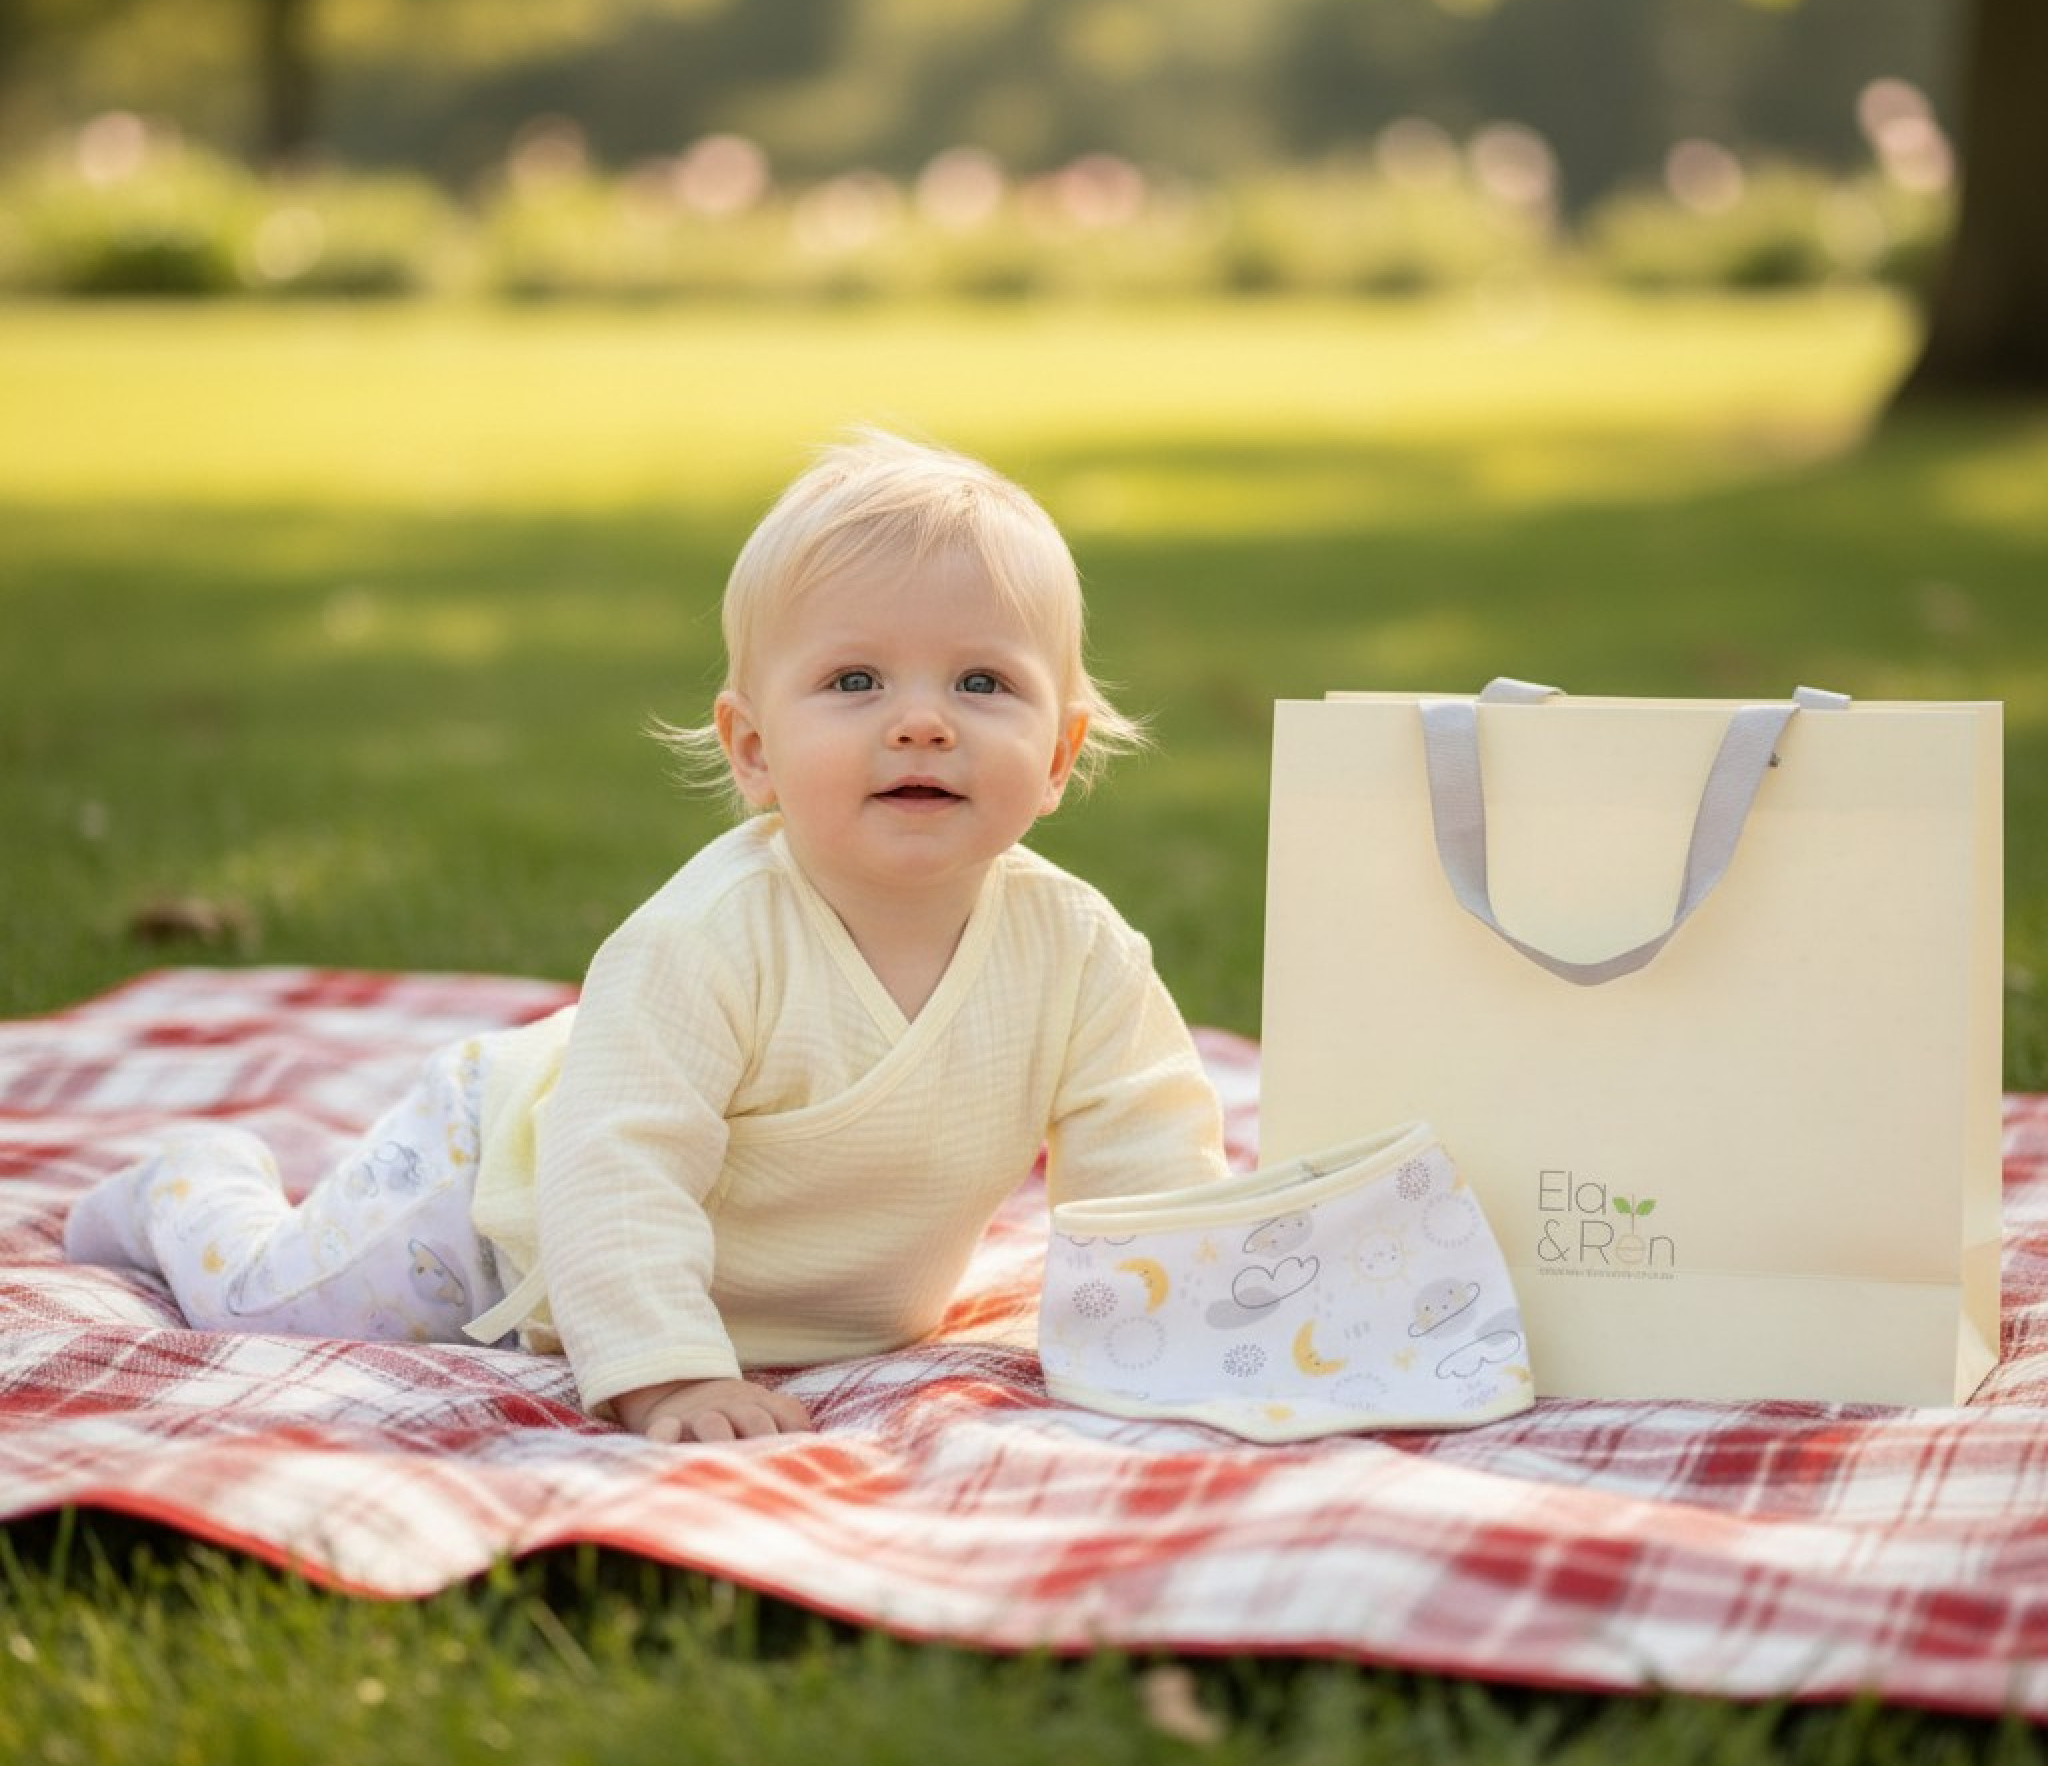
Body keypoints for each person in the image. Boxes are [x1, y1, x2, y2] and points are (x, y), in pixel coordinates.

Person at [65, 431, 1229, 1443]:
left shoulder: (1077, 952)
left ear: (1059, 753)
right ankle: (191, 1184)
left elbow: (1148, 1154)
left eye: (980, 681)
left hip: (816, 1304)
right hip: (493, 1203)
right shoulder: (706, 938)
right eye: (854, 679)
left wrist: (1168, 1327)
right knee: (274, 1306)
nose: (921, 721)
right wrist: (666, 1369)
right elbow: (617, 1159)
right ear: (753, 748)